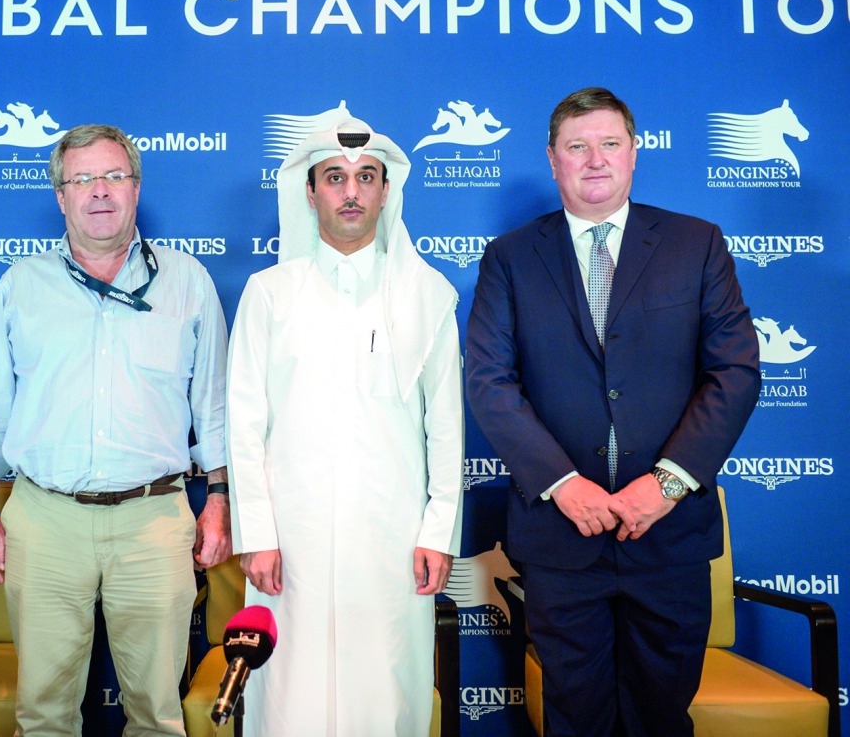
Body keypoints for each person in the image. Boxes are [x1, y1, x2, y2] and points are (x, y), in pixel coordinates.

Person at [465, 87, 760, 736]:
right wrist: (564, 485)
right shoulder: (510, 257)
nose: (594, 159)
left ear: (634, 153)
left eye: (609, 143)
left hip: (669, 531)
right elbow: (488, 381)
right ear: (552, 160)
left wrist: (668, 482)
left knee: (662, 716)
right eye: (577, 146)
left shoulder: (695, 243)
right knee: (576, 718)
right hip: (561, 536)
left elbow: (734, 371)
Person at [0, 124, 231, 736]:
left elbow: (212, 406)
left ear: (136, 188)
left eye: (113, 176)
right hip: (44, 518)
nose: (99, 192)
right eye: (82, 179)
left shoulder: (187, 282)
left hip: (155, 519)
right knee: (44, 712)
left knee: (158, 714)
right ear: (61, 196)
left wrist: (217, 502)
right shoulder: (20, 285)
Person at [227, 116, 464, 735]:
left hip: (393, 541)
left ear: (387, 191)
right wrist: (257, 532)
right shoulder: (269, 292)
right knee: (289, 697)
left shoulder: (427, 295)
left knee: (383, 696)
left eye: (366, 178)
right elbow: (246, 424)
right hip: (289, 541)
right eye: (335, 178)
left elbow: (445, 427)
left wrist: (438, 532)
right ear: (310, 193)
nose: (351, 192)